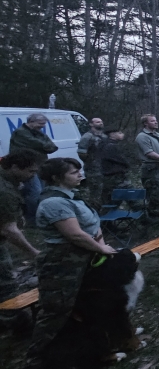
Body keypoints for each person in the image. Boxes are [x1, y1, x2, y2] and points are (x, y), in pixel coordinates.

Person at [24, 158, 118, 367]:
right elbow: (74, 234)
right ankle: (37, 356)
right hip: (63, 264)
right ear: (56, 177)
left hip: (86, 257)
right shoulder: (53, 203)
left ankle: (91, 347)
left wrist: (100, 243)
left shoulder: (72, 196)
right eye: (74, 172)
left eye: (79, 171)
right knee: (57, 309)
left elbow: (92, 223)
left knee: (88, 303)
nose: (80, 175)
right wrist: (101, 249)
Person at [0, 150, 41, 335]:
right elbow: (9, 230)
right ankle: (14, 322)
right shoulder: (4, 190)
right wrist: (33, 252)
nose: (33, 175)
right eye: (30, 171)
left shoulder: (9, 182)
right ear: (15, 167)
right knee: (6, 285)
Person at [9, 113, 58, 223]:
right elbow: (41, 145)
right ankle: (32, 218)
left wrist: (46, 146)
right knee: (35, 191)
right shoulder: (21, 133)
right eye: (40, 124)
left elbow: (52, 146)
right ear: (31, 122)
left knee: (42, 191)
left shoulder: (38, 132)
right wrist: (45, 146)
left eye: (44, 124)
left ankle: (39, 215)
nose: (43, 126)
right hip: (26, 167)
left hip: (39, 165)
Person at [135, 114, 159, 218]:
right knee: (154, 192)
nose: (156, 122)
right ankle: (152, 214)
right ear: (145, 123)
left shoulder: (157, 134)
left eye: (155, 120)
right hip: (151, 168)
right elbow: (149, 153)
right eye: (152, 121)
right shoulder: (142, 137)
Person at [76, 117, 107, 206]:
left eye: (101, 121)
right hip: (93, 170)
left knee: (105, 190)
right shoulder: (87, 137)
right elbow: (81, 153)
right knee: (95, 192)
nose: (100, 123)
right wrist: (90, 161)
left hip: (104, 168)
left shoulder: (104, 136)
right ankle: (94, 210)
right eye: (97, 122)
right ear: (91, 124)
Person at [99, 128, 130, 206]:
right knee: (130, 196)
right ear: (112, 134)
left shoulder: (108, 144)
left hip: (112, 177)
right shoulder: (111, 146)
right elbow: (122, 160)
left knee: (110, 200)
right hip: (115, 177)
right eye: (119, 133)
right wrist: (127, 165)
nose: (122, 134)